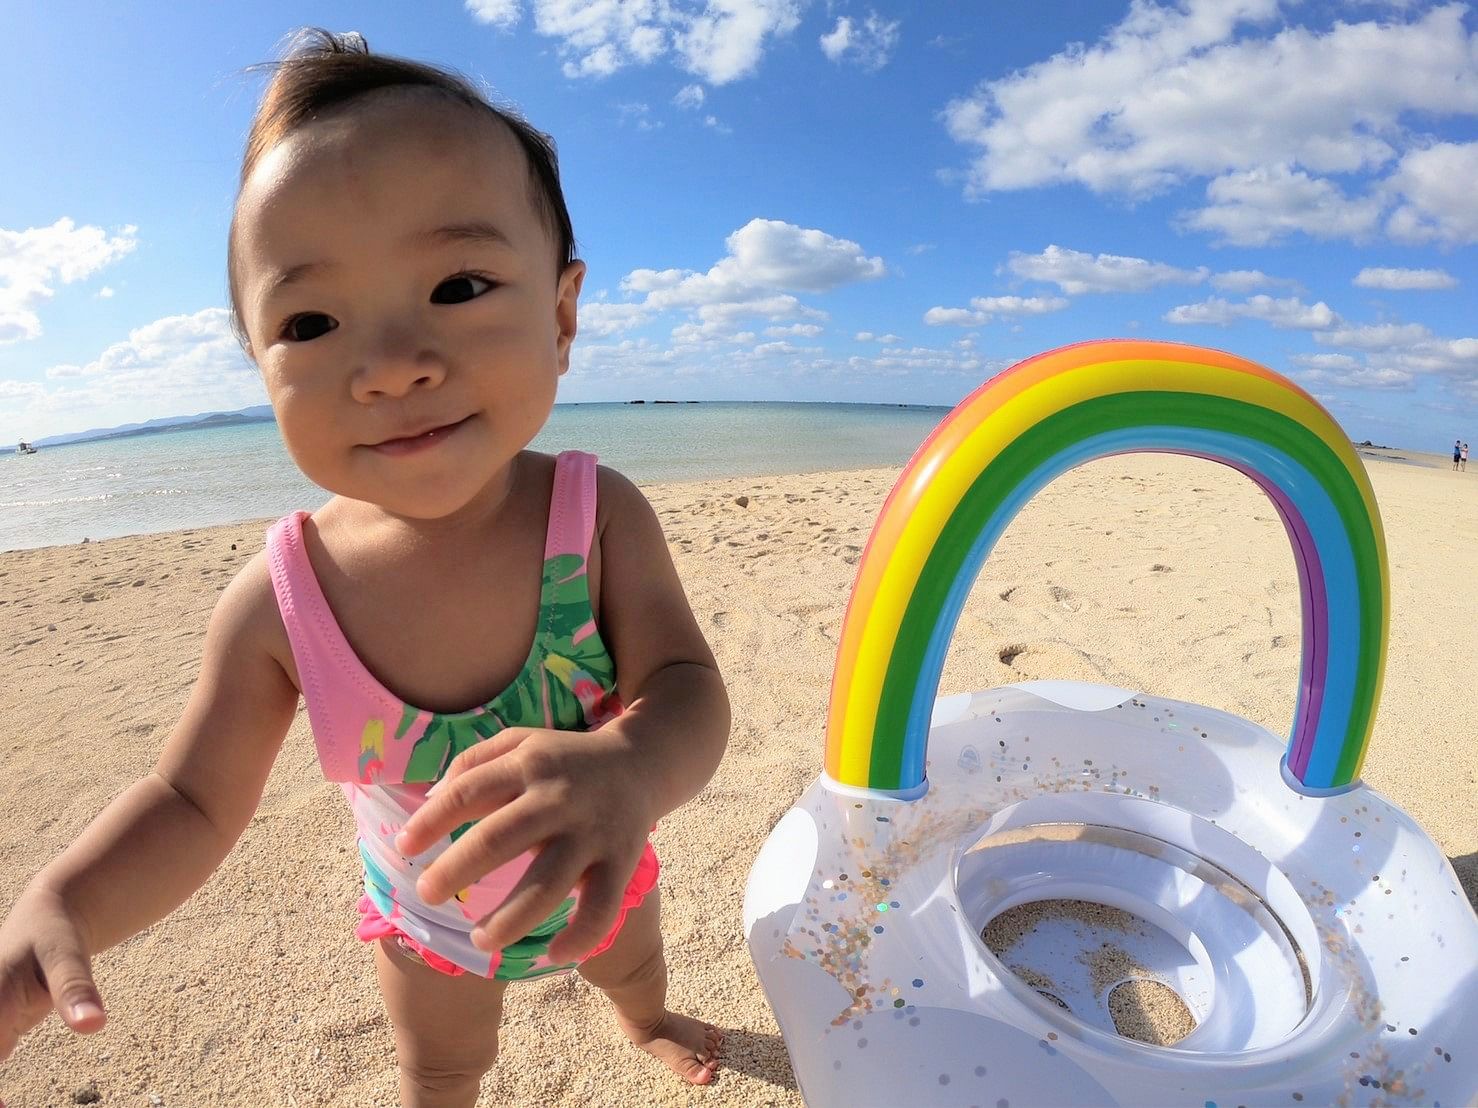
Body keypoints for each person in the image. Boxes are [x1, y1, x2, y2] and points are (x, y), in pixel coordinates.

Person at [0, 29, 730, 1106]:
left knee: (631, 965)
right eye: (310, 320)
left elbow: (687, 689)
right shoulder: (280, 601)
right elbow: (190, 798)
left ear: (563, 312)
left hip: (599, 869)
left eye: (459, 283)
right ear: (259, 362)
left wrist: (630, 765)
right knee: (439, 1064)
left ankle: (646, 1020)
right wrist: (59, 899)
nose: (389, 366)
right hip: (424, 918)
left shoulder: (595, 515)